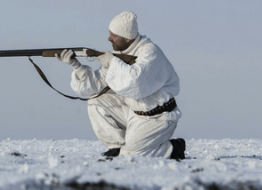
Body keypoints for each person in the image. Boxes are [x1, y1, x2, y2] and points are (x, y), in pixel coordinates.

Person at [56, 11, 185, 160]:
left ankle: (173, 148)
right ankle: (116, 146)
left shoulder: (150, 52)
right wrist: (76, 66)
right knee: (95, 101)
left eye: (114, 35)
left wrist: (111, 62)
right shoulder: (118, 53)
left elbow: (135, 84)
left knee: (131, 156)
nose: (109, 38)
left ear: (128, 37)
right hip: (134, 112)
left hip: (158, 118)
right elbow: (97, 85)